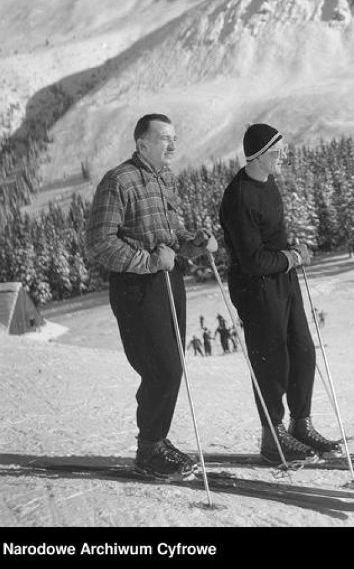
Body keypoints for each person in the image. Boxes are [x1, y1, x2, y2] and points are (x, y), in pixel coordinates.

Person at [85, 113, 210, 481]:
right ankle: (149, 451)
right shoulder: (119, 181)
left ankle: (157, 440)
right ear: (142, 144)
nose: (172, 145)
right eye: (163, 138)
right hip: (136, 287)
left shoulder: (165, 177)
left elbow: (172, 232)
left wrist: (192, 242)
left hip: (169, 282)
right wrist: (151, 260)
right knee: (163, 368)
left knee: (173, 366)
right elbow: (99, 243)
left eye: (174, 137)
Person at [219, 123, 340, 464]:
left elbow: (271, 240)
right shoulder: (239, 196)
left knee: (302, 351)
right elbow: (253, 260)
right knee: (272, 361)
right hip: (256, 287)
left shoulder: (267, 183)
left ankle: (300, 424)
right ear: (257, 156)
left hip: (283, 280)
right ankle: (273, 437)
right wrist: (292, 257)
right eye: (276, 152)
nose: (282, 157)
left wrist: (292, 250)